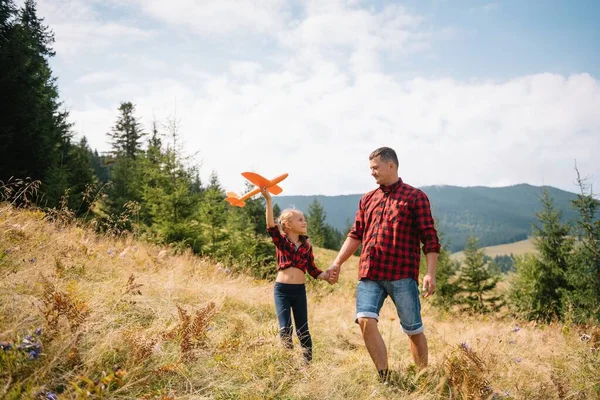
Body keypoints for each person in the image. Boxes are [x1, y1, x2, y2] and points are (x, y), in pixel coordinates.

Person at [327, 146, 440, 381]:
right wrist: (337, 262)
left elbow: (429, 238)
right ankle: (384, 377)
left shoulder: (415, 197)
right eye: (370, 169)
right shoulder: (367, 199)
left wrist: (430, 273)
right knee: (364, 319)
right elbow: (355, 234)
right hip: (370, 273)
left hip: (402, 274)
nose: (372, 173)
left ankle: (423, 378)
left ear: (391, 165)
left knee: (413, 330)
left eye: (375, 168)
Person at [261, 188, 334, 363]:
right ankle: (287, 364)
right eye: (300, 219)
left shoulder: (306, 246)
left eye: (304, 219)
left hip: (299, 291)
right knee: (285, 328)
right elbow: (271, 227)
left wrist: (326, 275)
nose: (304, 222)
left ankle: (306, 365)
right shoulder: (281, 241)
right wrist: (269, 201)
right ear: (287, 224)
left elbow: (312, 269)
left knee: (303, 330)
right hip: (282, 291)